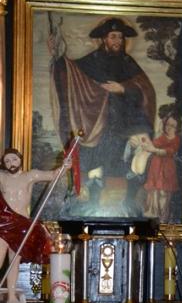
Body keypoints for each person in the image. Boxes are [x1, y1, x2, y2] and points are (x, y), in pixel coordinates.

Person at [49, 16, 156, 213]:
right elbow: (71, 72)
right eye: (113, 36)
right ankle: (89, 208)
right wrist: (57, 56)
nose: (118, 41)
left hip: (123, 126)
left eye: (120, 37)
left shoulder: (128, 62)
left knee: (121, 168)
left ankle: (123, 208)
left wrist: (122, 88)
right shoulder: (92, 61)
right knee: (94, 168)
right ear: (104, 39)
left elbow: (145, 89)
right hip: (97, 125)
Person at [0, 148, 66, 303]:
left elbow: (54, 175)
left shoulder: (30, 175)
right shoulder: (2, 176)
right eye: (7, 161)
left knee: (14, 261)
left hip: (21, 223)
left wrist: (66, 165)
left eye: (14, 159)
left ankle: (11, 297)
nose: (11, 163)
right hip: (4, 222)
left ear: (20, 160)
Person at [143, 110, 180, 223]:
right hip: (156, 167)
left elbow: (169, 151)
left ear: (177, 128)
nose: (169, 128)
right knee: (155, 191)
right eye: (168, 124)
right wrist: (146, 141)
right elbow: (153, 144)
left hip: (167, 169)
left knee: (164, 192)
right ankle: (153, 215)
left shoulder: (176, 139)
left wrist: (154, 150)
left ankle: (163, 218)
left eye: (173, 126)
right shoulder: (162, 137)